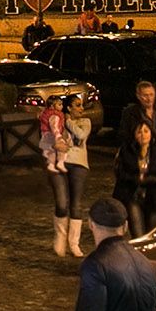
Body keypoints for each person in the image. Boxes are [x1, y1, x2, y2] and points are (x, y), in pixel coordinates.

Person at [40, 91, 94, 256]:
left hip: (79, 164)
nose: (81, 108)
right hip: (58, 163)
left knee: (75, 205)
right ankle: (60, 237)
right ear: (68, 107)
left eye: (81, 105)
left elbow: (80, 135)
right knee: (62, 203)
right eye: (77, 105)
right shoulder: (57, 121)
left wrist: (67, 121)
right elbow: (47, 137)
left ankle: (74, 243)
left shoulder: (85, 121)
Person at [114, 105, 156, 235]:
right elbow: (119, 172)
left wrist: (148, 180)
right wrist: (135, 178)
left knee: (151, 233)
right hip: (133, 195)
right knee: (138, 234)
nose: (142, 135)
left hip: (155, 196)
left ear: (151, 134)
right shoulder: (126, 151)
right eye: (139, 132)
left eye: (146, 131)